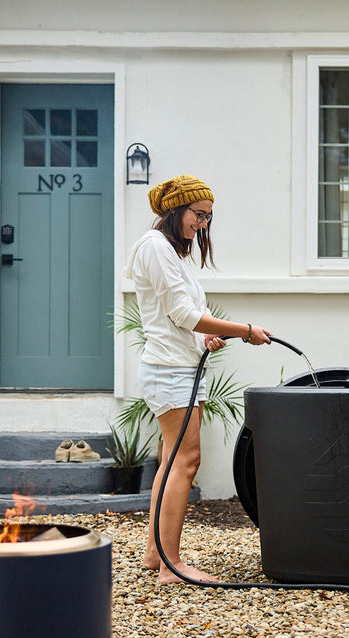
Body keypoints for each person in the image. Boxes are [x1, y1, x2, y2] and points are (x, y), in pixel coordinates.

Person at [126, 174, 272, 583]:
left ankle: (157, 555)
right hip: (169, 371)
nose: (203, 224)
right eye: (198, 214)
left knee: (171, 460)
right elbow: (182, 314)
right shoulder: (156, 248)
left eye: (208, 217)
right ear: (176, 209)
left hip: (177, 365)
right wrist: (243, 329)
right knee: (186, 460)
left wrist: (203, 336)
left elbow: (180, 318)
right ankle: (172, 566)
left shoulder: (169, 252)